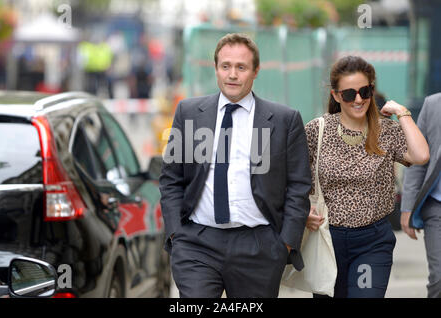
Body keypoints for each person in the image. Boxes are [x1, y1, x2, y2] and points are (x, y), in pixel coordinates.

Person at [159, 33, 312, 298]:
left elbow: (298, 186)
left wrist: (285, 243)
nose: (232, 74)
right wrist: (176, 234)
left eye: (241, 67)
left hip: (259, 247)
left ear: (255, 71)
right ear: (216, 69)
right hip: (197, 243)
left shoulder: (284, 120)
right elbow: (171, 178)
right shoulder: (189, 113)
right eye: (225, 66)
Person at [305, 55, 429, 298]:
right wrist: (302, 212)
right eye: (350, 94)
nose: (359, 99)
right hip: (327, 241)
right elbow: (292, 177)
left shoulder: (387, 130)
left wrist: (402, 113)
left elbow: (421, 155)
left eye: (365, 91)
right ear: (336, 96)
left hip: (372, 242)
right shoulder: (316, 130)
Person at [400, 93, 441, 298]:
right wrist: (407, 206)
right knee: (439, 278)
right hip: (436, 207)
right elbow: (417, 162)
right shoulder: (433, 105)